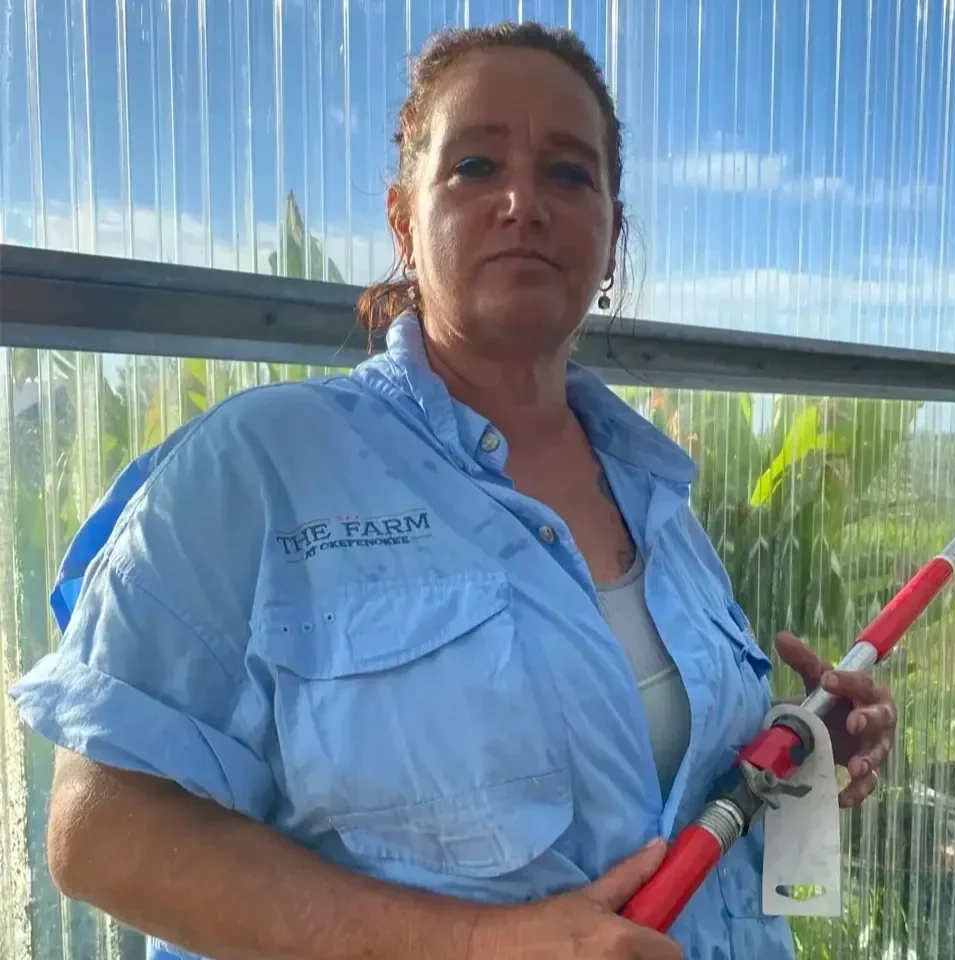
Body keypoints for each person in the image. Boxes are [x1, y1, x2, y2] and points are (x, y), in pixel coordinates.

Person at [9, 22, 897, 960]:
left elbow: (671, 776)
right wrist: (479, 942)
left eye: (569, 174)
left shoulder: (660, 499)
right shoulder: (258, 470)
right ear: (404, 219)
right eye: (475, 165)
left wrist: (802, 744)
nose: (524, 202)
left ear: (610, 233)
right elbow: (101, 831)